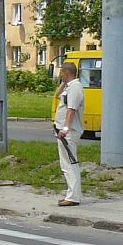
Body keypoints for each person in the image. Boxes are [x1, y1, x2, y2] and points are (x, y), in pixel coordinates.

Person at [53, 61, 85, 207]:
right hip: (64, 132)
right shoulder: (70, 86)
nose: (59, 75)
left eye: (61, 73)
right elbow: (56, 95)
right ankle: (72, 194)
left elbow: (71, 110)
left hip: (68, 133)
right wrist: (63, 82)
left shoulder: (75, 88)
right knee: (66, 163)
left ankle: (73, 197)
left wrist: (65, 129)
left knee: (70, 164)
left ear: (66, 73)